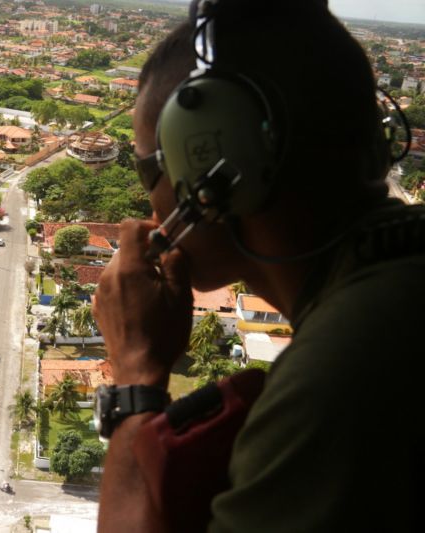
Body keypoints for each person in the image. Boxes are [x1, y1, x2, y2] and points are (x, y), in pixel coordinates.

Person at [93, 1, 420, 531]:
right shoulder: (393, 285)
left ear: (214, 170)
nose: (147, 206)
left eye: (147, 169)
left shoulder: (344, 373)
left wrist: (135, 372)